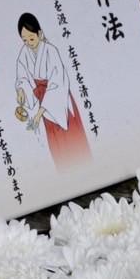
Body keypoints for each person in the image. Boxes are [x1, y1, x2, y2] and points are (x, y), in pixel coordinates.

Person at [13, 12, 91, 169]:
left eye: (32, 38)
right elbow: (21, 76)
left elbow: (57, 84)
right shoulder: (24, 53)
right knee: (57, 145)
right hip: (44, 102)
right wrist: (21, 89)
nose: (28, 43)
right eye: (24, 40)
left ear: (39, 33)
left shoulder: (50, 51)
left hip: (59, 102)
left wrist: (40, 112)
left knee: (71, 139)